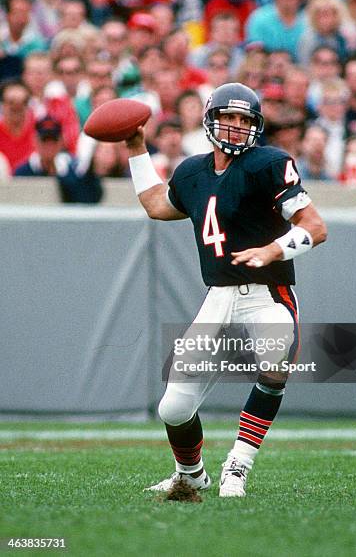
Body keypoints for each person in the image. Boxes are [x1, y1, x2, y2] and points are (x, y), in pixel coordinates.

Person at [125, 82, 327, 497]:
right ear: (209, 120)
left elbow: (315, 227)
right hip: (218, 295)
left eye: (243, 119)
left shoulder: (268, 163)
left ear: (255, 125)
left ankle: (239, 462)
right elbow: (156, 205)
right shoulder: (192, 172)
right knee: (174, 407)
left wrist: (273, 249)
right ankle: (190, 474)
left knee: (274, 364)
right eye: (227, 117)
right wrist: (135, 146)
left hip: (268, 293)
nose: (235, 126)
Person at [14, 115, 103, 203]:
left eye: (54, 140)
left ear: (61, 142)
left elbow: (91, 197)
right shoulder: (22, 172)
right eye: (44, 140)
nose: (49, 145)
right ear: (35, 141)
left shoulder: (72, 169)